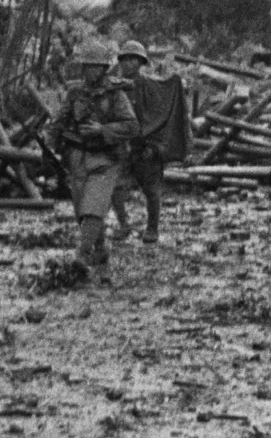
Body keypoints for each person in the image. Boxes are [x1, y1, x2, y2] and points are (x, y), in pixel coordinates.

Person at [51, 42, 140, 282]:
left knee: (95, 205)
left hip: (106, 158)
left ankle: (82, 254)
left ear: (103, 69)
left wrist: (103, 129)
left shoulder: (116, 94)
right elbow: (59, 121)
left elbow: (132, 126)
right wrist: (51, 146)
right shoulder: (75, 92)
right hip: (78, 158)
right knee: (83, 211)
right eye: (87, 67)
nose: (91, 71)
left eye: (96, 67)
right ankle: (100, 249)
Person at [109, 40, 188, 244]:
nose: (128, 63)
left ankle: (152, 228)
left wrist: (154, 146)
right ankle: (124, 225)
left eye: (133, 59)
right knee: (114, 188)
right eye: (125, 59)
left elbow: (158, 115)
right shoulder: (114, 86)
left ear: (141, 62)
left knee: (151, 190)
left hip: (144, 147)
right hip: (121, 147)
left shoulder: (149, 85)